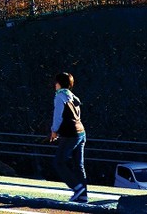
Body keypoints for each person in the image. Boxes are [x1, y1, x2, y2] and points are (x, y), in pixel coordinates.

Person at [49, 71, 87, 202]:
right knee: (79, 165)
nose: (55, 85)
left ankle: (77, 188)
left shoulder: (59, 97)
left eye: (56, 82)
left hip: (70, 134)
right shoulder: (72, 96)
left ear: (59, 83)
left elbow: (58, 116)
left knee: (59, 162)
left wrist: (54, 131)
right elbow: (78, 113)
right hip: (81, 132)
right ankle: (83, 195)